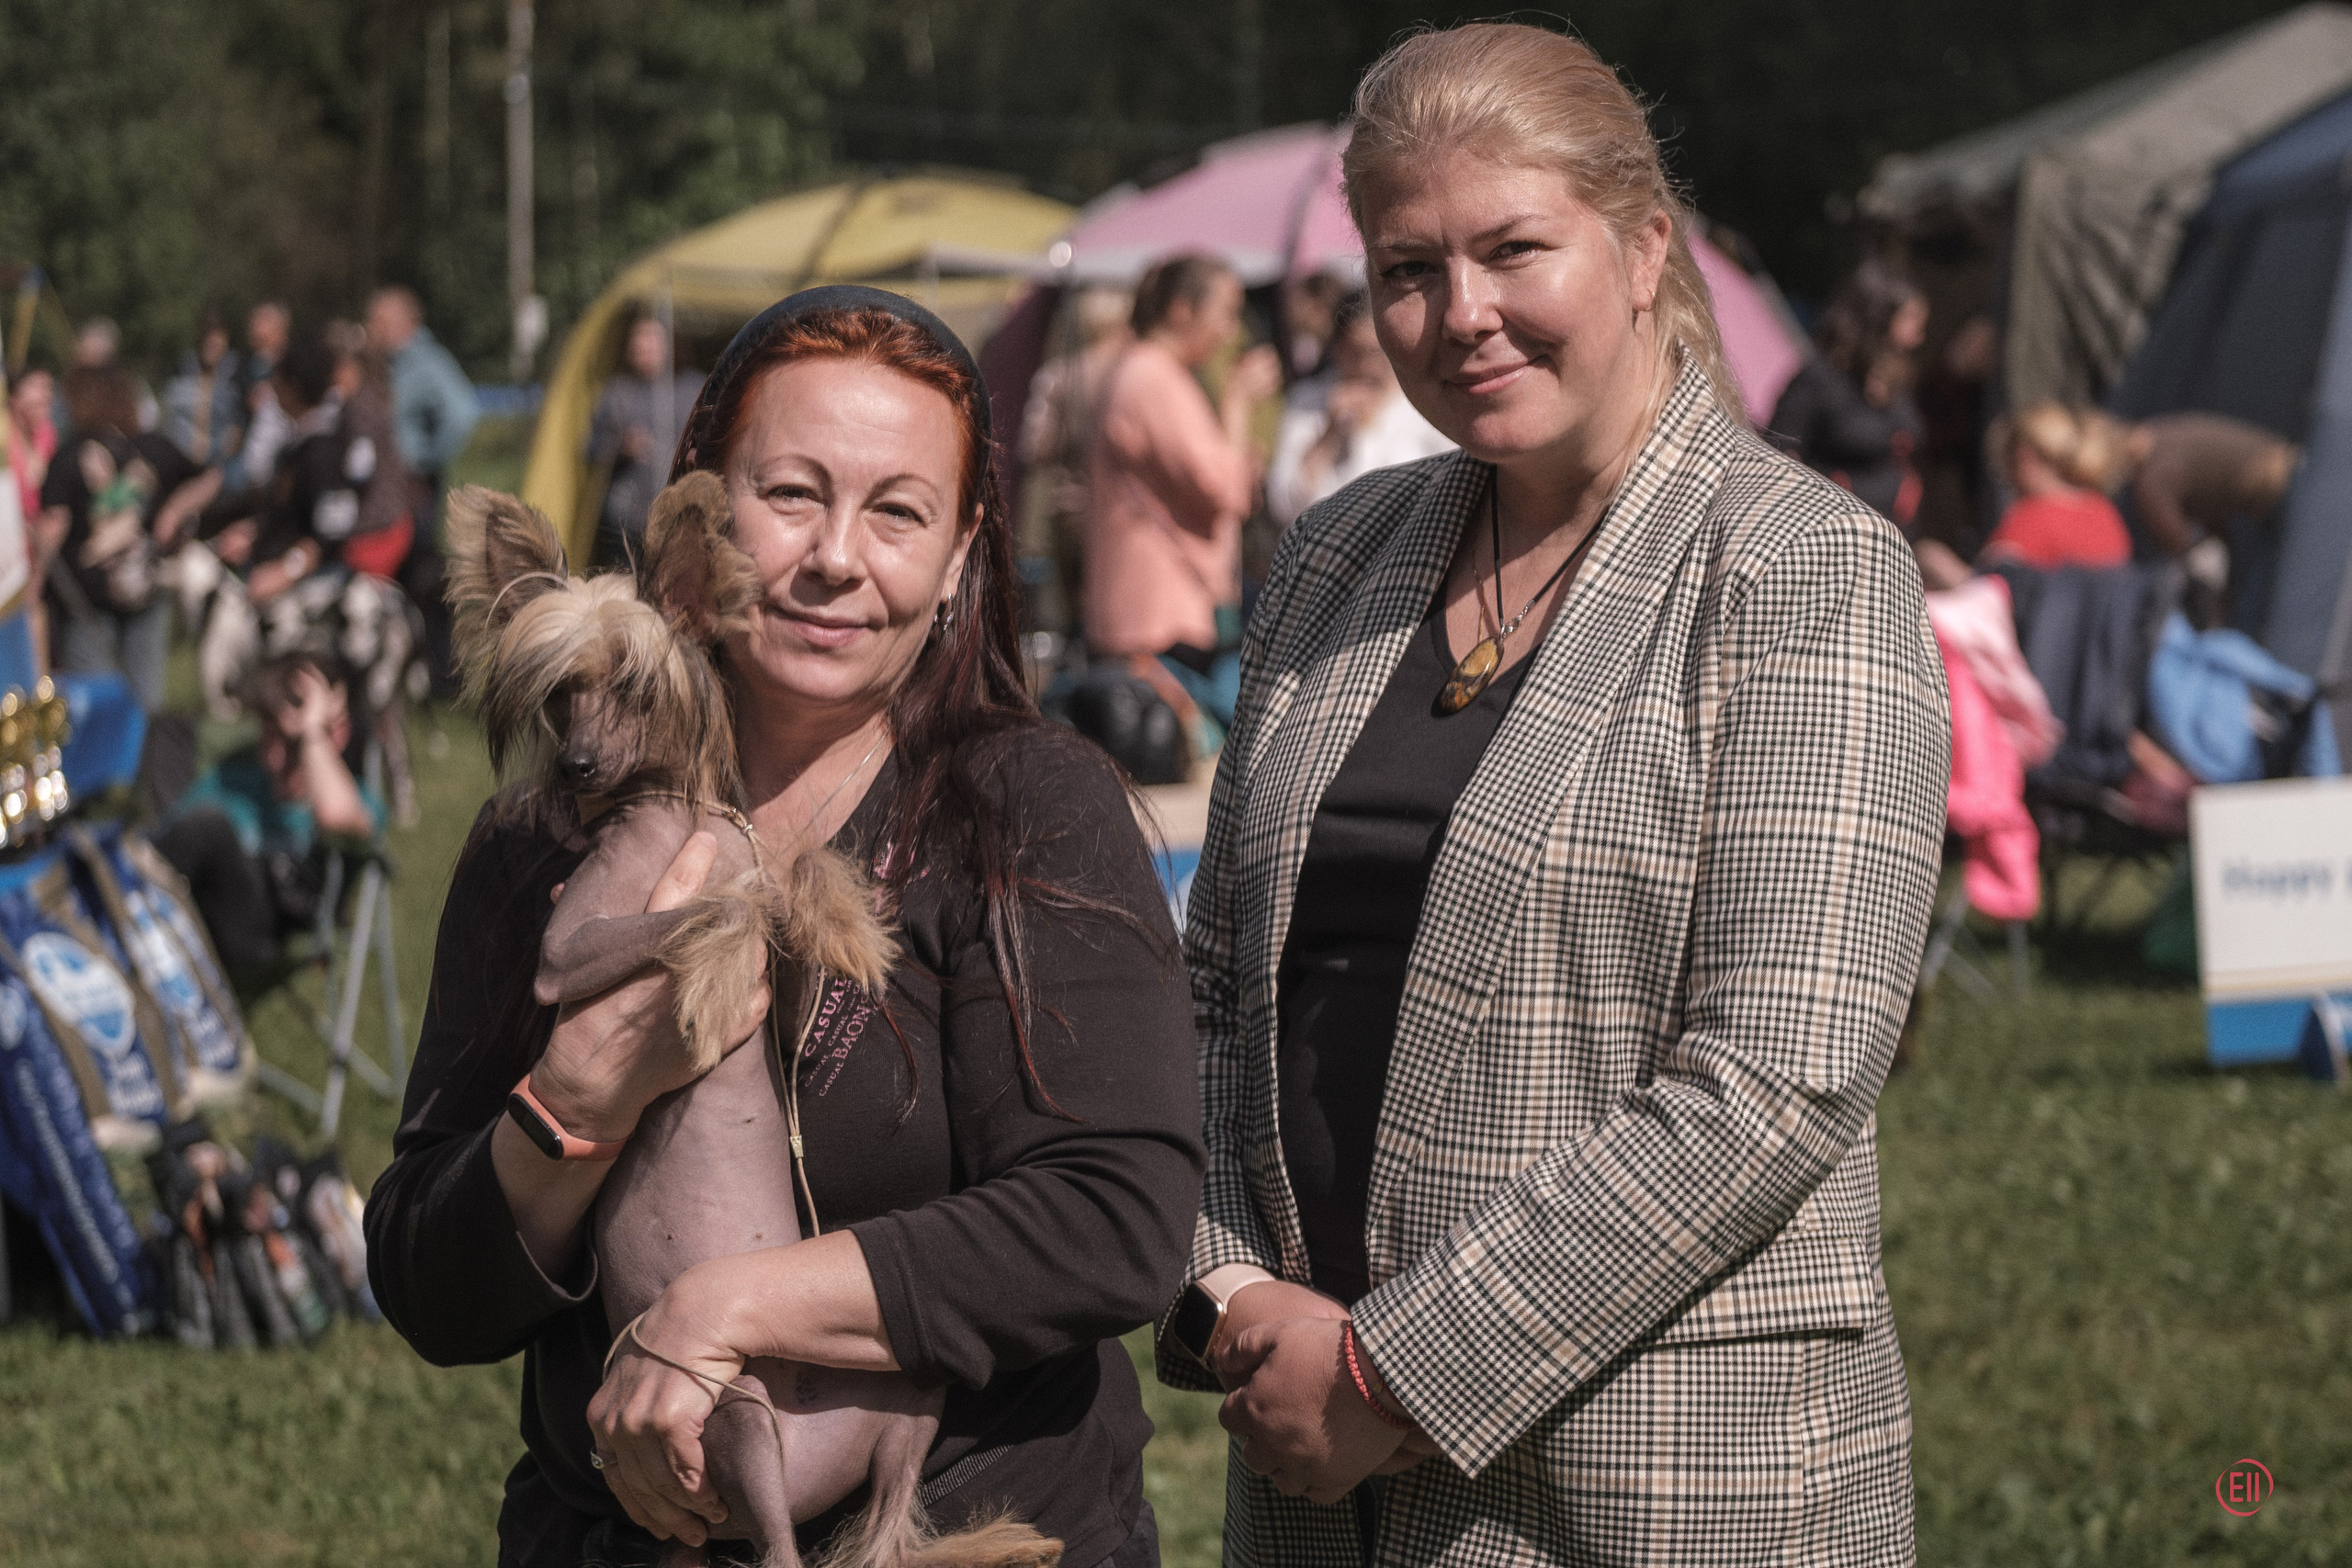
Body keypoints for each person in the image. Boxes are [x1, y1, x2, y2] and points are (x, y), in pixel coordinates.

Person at [1164, 23, 1946, 1564]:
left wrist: (1394, 1368)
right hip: (1317, 1472)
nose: (1462, 315)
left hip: (1653, 1474)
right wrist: (1236, 1294)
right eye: (1407, 269)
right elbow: (1207, 995)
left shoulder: (1806, 572)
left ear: (1644, 245)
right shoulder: (1332, 558)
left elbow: (1774, 1076)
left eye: (1514, 249)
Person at [365, 287, 1204, 1568]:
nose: (835, 557)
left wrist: (716, 1313)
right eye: (793, 493)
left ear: (965, 549)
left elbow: (1113, 1218)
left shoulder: (1026, 806)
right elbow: (428, 1277)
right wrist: (572, 1109)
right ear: (699, 522)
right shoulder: (543, 838)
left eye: (898, 511)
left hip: (981, 1524)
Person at [1082, 253, 1281, 734]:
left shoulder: (1150, 372)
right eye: (1226, 312)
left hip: (1158, 608)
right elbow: (1225, 488)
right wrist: (1237, 397)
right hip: (1161, 614)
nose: (1232, 330)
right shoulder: (1152, 377)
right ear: (1181, 311)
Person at [153, 653, 380, 990]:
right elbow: (158, 851)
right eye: (266, 737)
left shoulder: (355, 799)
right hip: (196, 916)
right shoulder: (233, 778)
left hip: (264, 938)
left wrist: (312, 733)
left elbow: (334, 816)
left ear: (337, 735)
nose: (273, 758)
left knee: (210, 826)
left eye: (290, 744)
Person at [39, 366, 219, 708]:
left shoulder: (68, 455)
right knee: (143, 700)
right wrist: (175, 513)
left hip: (87, 598)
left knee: (92, 703)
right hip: (144, 590)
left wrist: (33, 592)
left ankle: (112, 762)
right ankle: (138, 760)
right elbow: (210, 476)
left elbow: (54, 524)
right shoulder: (154, 446)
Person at [368, 284, 478, 693]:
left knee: (423, 581)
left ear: (403, 323)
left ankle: (444, 678)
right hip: (388, 491)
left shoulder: (426, 362)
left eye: (377, 321)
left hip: (415, 492)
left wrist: (424, 462)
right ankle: (409, 674)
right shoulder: (389, 365)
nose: (370, 329)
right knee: (401, 581)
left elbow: (462, 414)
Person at [1265, 292, 1454, 528]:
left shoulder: (1424, 403)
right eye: (1356, 352)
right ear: (1337, 349)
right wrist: (1329, 437)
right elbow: (1282, 504)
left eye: (1377, 353)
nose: (1367, 367)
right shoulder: (1308, 401)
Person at [1770, 257, 1928, 531]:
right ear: (1879, 316)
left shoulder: (1896, 385)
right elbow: (1776, 453)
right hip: (1830, 537)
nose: (1919, 336)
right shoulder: (1821, 379)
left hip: (1889, 536)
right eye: (1911, 319)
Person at [1014, 284, 1132, 635]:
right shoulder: (1136, 373)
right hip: (1123, 513)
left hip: (1067, 513)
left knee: (1076, 619)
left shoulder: (1060, 374)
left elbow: (1033, 446)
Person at [586, 314, 704, 570]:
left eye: (652, 341)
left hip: (680, 510)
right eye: (639, 342)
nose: (644, 349)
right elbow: (591, 450)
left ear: (669, 345)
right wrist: (620, 447)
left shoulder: (692, 388)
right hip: (627, 514)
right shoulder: (617, 393)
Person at [1976, 402, 2133, 573]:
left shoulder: (2028, 521)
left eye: (2007, 464)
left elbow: (1987, 587)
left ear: (2025, 457)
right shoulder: (2104, 510)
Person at [164, 311, 247, 468]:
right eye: (206, 339)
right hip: (179, 457)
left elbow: (238, 427)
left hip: (219, 465)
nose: (211, 345)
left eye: (216, 340)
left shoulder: (237, 376)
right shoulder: (183, 370)